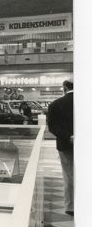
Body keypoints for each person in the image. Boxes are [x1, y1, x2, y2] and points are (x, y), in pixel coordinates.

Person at [47, 78, 74, 215]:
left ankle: (71, 206)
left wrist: (69, 136)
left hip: (65, 144)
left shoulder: (55, 104)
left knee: (68, 175)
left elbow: (52, 127)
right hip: (86, 144)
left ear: (64, 88)